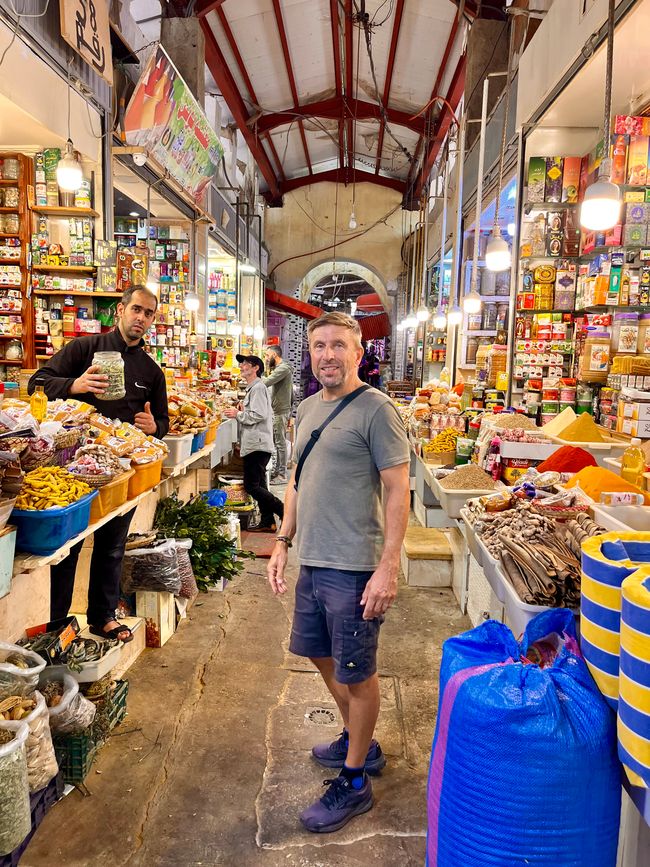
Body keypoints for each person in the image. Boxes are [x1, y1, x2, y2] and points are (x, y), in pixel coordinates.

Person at [266, 311, 410, 833]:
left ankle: (354, 782)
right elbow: (297, 482)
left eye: (338, 346)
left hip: (355, 566)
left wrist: (388, 567)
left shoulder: (377, 410)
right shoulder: (305, 409)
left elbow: (398, 491)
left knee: (359, 670)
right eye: (319, 345)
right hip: (313, 557)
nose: (327, 354)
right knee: (317, 652)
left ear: (359, 352)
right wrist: (283, 541)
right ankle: (360, 741)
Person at [28, 286, 169, 642]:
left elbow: (163, 423)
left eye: (148, 313)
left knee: (112, 545)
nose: (141, 318)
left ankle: (102, 616)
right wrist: (74, 384)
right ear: (120, 310)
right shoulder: (84, 349)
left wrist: (156, 428)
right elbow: (36, 384)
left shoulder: (151, 371)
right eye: (136, 309)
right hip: (73, 469)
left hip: (119, 472)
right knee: (69, 547)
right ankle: (58, 625)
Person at [224, 354, 284, 533]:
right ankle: (268, 521)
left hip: (257, 444)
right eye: (241, 364)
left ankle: (283, 510)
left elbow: (259, 415)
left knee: (252, 486)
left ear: (256, 367)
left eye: (245, 364)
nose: (241, 366)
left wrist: (238, 414)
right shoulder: (254, 388)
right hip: (255, 443)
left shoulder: (258, 388)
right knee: (260, 484)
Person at [262, 345, 293, 483]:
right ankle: (277, 471)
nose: (267, 359)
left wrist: (252, 377)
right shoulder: (279, 368)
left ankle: (282, 475)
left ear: (275, 355)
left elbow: (267, 382)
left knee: (280, 443)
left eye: (268, 356)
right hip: (278, 409)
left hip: (281, 410)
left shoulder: (283, 369)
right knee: (277, 441)